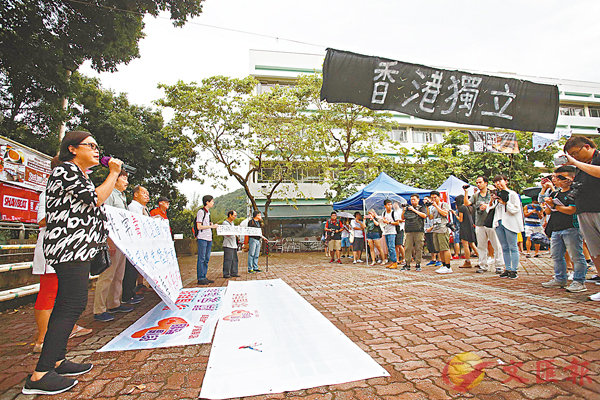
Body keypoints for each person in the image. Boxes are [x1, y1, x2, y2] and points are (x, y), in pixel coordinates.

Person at [23, 131, 122, 395]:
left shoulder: (80, 175)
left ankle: (57, 359)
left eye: (96, 145)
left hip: (79, 247)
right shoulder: (65, 171)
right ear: (72, 149)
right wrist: (113, 173)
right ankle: (40, 374)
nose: (96, 149)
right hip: (69, 246)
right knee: (72, 303)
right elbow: (95, 199)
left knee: (70, 301)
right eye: (90, 145)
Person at [32, 159, 92, 353]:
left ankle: (70, 328)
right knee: (49, 292)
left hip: (69, 248)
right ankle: (42, 339)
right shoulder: (48, 193)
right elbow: (41, 220)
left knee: (67, 294)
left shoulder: (73, 192)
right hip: (51, 247)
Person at [93, 170, 134, 322]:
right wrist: (108, 240)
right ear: (115, 179)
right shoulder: (109, 193)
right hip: (111, 240)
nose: (126, 182)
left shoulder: (122, 196)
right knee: (107, 276)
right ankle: (99, 309)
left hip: (122, 241)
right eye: (123, 178)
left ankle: (114, 303)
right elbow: (104, 217)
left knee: (118, 275)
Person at [563, 136, 600, 301]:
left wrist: (576, 163)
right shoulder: (580, 169)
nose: (574, 157)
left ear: (586, 147)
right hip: (584, 210)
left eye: (575, 153)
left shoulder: (596, 159)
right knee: (595, 251)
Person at [541, 166, 588, 292]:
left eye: (560, 177)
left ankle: (579, 281)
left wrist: (554, 205)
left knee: (576, 255)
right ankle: (560, 278)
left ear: (570, 178)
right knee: (556, 255)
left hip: (571, 227)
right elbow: (547, 211)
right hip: (556, 228)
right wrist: (548, 204)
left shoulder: (574, 192)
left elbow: (571, 210)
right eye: (554, 177)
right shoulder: (554, 193)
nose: (556, 180)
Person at [464, 176, 504, 274]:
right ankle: (483, 265)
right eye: (477, 182)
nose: (478, 184)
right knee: (481, 245)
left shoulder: (492, 194)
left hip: (491, 223)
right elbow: (467, 203)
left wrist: (488, 205)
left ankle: (499, 265)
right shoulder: (476, 195)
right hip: (479, 223)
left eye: (480, 182)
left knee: (496, 245)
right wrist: (466, 192)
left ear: (485, 183)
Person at [490, 175, 524, 279]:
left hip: (510, 222)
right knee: (504, 247)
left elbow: (515, 209)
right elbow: (491, 209)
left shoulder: (512, 194)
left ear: (506, 181)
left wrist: (505, 202)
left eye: (500, 181)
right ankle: (507, 268)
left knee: (513, 246)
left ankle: (514, 270)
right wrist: (493, 200)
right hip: (499, 222)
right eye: (496, 182)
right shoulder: (497, 194)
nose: (498, 183)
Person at [121, 185, 150, 303]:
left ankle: (132, 292)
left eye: (147, 194)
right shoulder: (132, 207)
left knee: (135, 270)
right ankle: (127, 295)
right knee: (130, 270)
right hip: (134, 243)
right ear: (136, 194)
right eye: (143, 193)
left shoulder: (144, 208)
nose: (146, 196)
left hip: (141, 243)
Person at [196, 195, 218, 284]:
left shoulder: (208, 213)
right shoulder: (201, 212)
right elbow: (199, 226)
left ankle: (204, 276)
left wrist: (209, 224)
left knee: (206, 258)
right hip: (202, 238)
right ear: (207, 202)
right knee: (202, 258)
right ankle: (200, 278)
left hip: (208, 238)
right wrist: (211, 226)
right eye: (212, 201)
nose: (213, 203)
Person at [429, 191, 452, 274]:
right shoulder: (433, 207)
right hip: (435, 229)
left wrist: (436, 206)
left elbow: (445, 214)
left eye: (435, 197)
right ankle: (444, 265)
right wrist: (428, 208)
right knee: (439, 249)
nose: (433, 199)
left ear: (439, 197)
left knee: (445, 248)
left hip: (443, 228)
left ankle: (448, 266)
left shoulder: (443, 204)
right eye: (432, 198)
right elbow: (431, 217)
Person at [402, 194, 427, 271]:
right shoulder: (408, 208)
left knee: (418, 248)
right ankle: (407, 264)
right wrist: (404, 210)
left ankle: (418, 264)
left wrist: (414, 210)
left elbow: (424, 215)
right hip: (409, 230)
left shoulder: (421, 208)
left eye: (414, 199)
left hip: (418, 231)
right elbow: (402, 218)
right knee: (408, 247)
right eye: (411, 200)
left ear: (418, 200)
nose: (413, 201)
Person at [454, 195, 477, 268]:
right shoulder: (467, 207)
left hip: (464, 228)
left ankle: (467, 261)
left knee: (465, 245)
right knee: (472, 244)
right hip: (470, 227)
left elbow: (460, 219)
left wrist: (455, 214)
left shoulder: (461, 208)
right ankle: (482, 260)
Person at [222, 210, 240, 278]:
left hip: (233, 243)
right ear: (230, 215)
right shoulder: (225, 223)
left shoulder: (232, 223)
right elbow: (227, 233)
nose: (235, 217)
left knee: (234, 259)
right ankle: (226, 273)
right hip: (228, 244)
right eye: (234, 215)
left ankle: (234, 272)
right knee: (228, 259)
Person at [381, 199, 400, 269]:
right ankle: (392, 261)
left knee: (392, 247)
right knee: (389, 248)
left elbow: (397, 223)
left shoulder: (394, 213)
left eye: (390, 204)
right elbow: (383, 221)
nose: (390, 206)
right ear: (385, 206)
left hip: (392, 232)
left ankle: (395, 262)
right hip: (386, 231)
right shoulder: (384, 213)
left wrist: (389, 222)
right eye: (388, 205)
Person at [423, 196, 441, 268]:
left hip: (434, 228)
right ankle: (433, 259)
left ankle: (439, 259)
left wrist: (432, 227)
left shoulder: (434, 207)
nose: (425, 201)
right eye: (424, 200)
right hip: (426, 228)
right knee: (430, 244)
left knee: (436, 244)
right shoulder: (424, 208)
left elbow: (435, 219)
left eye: (426, 200)